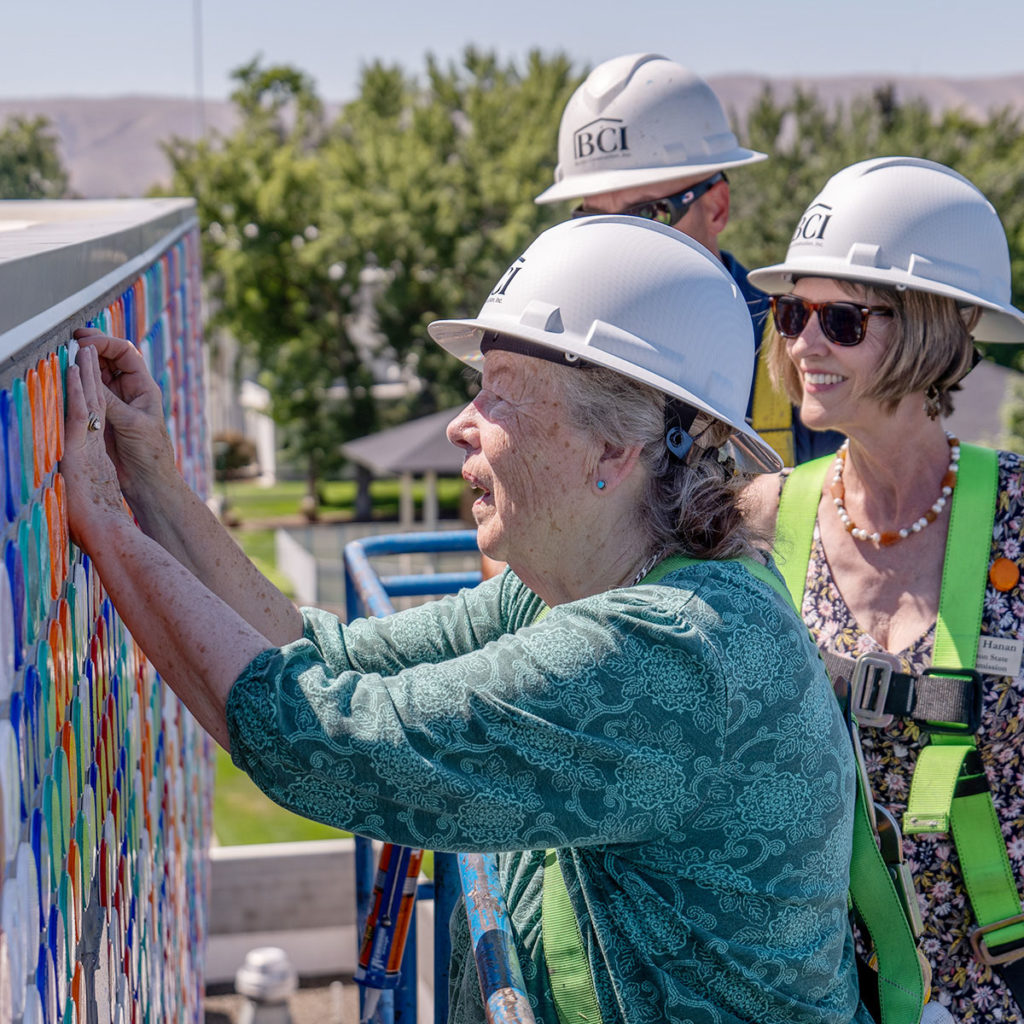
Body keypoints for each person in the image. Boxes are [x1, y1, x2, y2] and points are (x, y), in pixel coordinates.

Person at [61, 215, 871, 1024]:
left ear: (614, 447)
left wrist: (102, 520)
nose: (461, 421)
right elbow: (322, 659)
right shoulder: (581, 582)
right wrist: (150, 480)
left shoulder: (674, 652)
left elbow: (323, 740)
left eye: (501, 390)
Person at [743, 156, 1024, 1022]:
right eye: (792, 314)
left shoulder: (1015, 514)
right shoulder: (760, 518)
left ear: (946, 326)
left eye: (842, 319)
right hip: (829, 988)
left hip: (1000, 984)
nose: (803, 345)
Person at [535, 51, 843, 466]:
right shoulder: (559, 348)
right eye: (595, 219)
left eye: (647, 214)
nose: (617, 241)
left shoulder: (807, 347)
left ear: (716, 207)